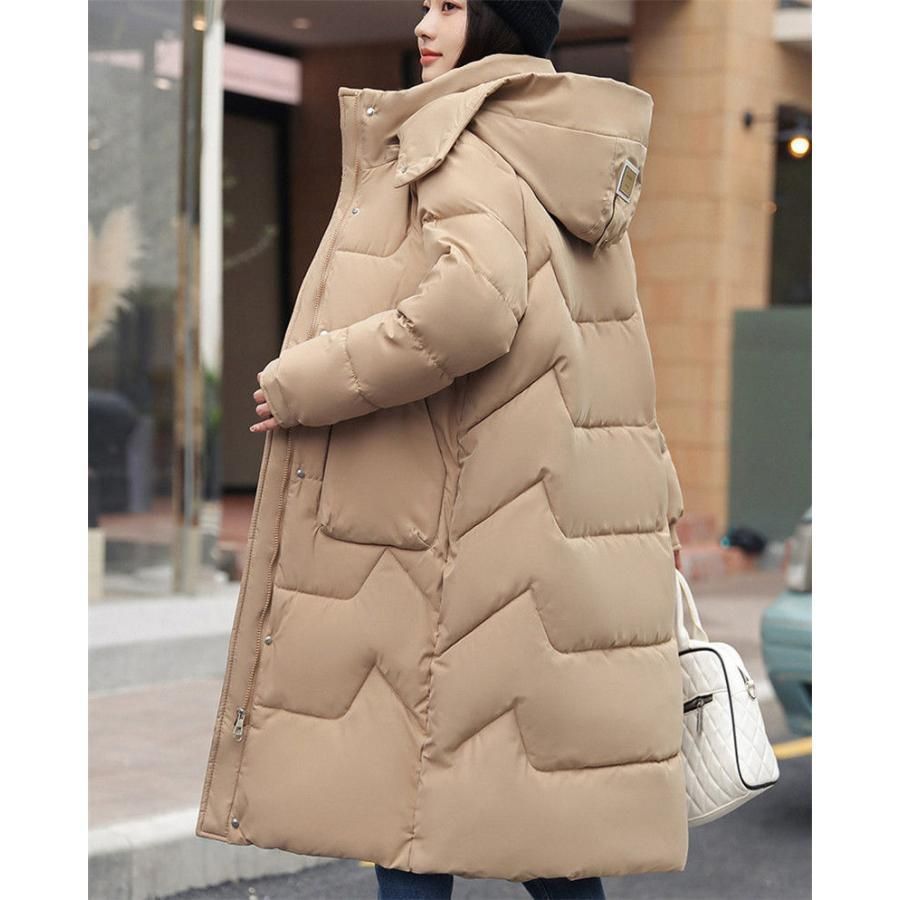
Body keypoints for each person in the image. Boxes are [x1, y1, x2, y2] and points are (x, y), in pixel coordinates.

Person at [196, 0, 688, 896]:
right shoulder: (560, 153)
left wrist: (308, 380)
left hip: (450, 531)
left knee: (413, 805)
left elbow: (473, 309)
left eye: (452, 6)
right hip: (535, 527)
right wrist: (659, 505)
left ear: (501, 19)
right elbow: (613, 357)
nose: (424, 25)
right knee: (538, 818)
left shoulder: (461, 140)